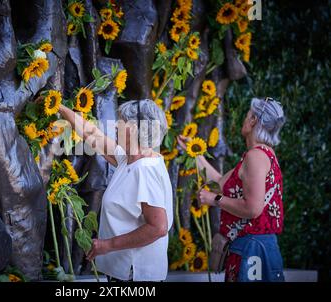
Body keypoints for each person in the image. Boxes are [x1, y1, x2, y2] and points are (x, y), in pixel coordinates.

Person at [58, 99, 173, 281]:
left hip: (135, 275)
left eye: (120, 122)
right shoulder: (130, 159)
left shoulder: (145, 169)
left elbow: (158, 227)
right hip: (124, 272)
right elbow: (94, 136)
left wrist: (108, 245)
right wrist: (60, 107)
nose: (116, 126)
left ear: (134, 129)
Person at [177, 97, 286, 282]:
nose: (244, 120)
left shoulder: (256, 157)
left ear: (253, 121)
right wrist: (194, 153)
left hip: (253, 248)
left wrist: (214, 200)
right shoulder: (260, 155)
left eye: (247, 116)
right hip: (251, 247)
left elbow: (252, 209)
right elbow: (219, 181)